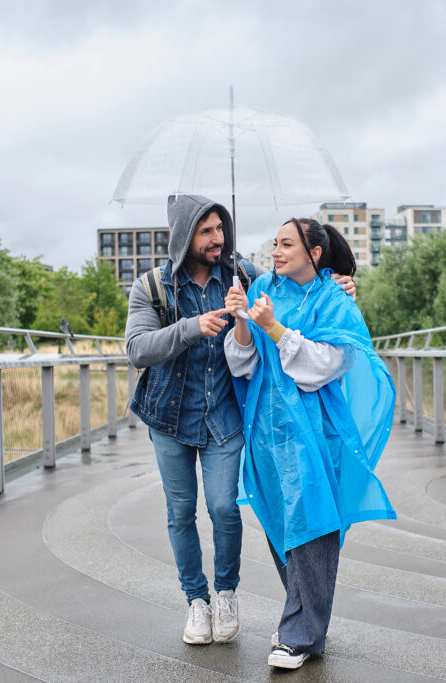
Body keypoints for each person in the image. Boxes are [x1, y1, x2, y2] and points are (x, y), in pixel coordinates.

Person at [125, 196, 355, 646]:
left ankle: (226, 592)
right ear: (183, 237)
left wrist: (343, 284)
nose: (218, 239)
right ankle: (197, 600)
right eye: (206, 231)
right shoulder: (151, 287)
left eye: (220, 229)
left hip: (225, 416)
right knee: (180, 512)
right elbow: (136, 349)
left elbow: (299, 277)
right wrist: (192, 327)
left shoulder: (243, 275)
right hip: (167, 416)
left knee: (226, 509)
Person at [223, 217, 396, 669]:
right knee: (281, 525)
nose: (275, 252)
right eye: (273, 244)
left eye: (285, 244)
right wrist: (243, 320)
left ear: (314, 253)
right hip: (267, 431)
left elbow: (328, 366)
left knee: (313, 524)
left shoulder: (334, 297)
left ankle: (296, 636)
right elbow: (242, 363)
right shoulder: (262, 286)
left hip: (316, 431)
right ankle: (308, 627)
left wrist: (276, 328)